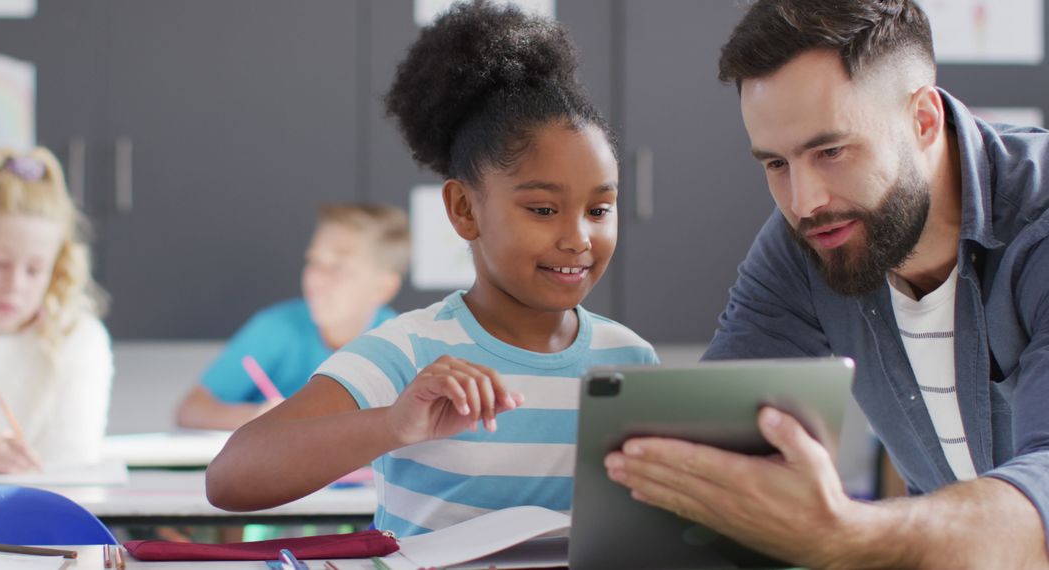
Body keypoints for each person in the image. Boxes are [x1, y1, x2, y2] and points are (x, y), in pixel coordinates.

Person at [605, 1, 1049, 567]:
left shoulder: (1039, 223)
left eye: (831, 151)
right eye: (775, 164)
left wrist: (851, 534)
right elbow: (714, 445)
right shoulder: (810, 239)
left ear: (924, 121)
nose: (804, 202)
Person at [206, 0, 658, 537]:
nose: (578, 237)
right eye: (542, 209)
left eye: (599, 210)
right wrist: (394, 423)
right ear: (465, 210)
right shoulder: (409, 351)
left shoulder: (628, 361)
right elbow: (231, 477)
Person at [174, 203, 408, 430]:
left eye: (338, 267)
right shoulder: (275, 328)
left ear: (384, 288)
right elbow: (191, 409)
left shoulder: (399, 347)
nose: (316, 279)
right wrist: (255, 416)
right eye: (314, 261)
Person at [0, 147, 112, 473]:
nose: (13, 284)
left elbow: (73, 466)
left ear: (57, 270)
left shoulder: (79, 338)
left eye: (34, 269)